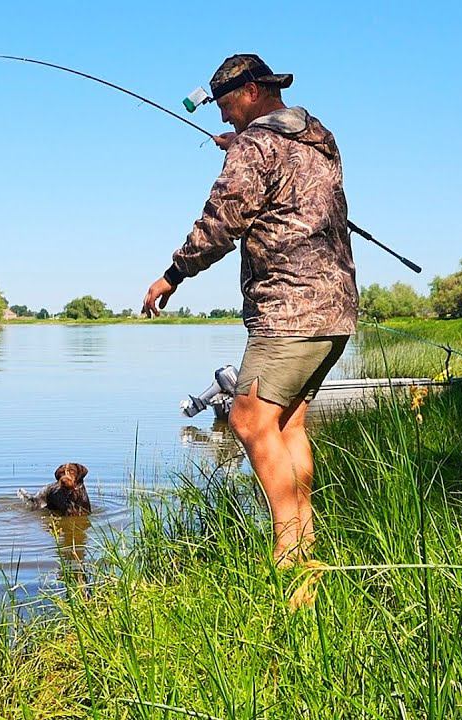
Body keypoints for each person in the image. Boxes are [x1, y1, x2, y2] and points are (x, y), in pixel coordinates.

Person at [142, 54, 358, 565]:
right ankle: (306, 545)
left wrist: (171, 276)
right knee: (287, 426)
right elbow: (282, 173)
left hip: (289, 306)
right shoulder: (318, 137)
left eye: (224, 104)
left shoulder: (256, 145)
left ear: (254, 91)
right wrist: (240, 147)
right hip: (335, 305)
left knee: (246, 419)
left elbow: (221, 223)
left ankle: (289, 552)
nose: (220, 116)